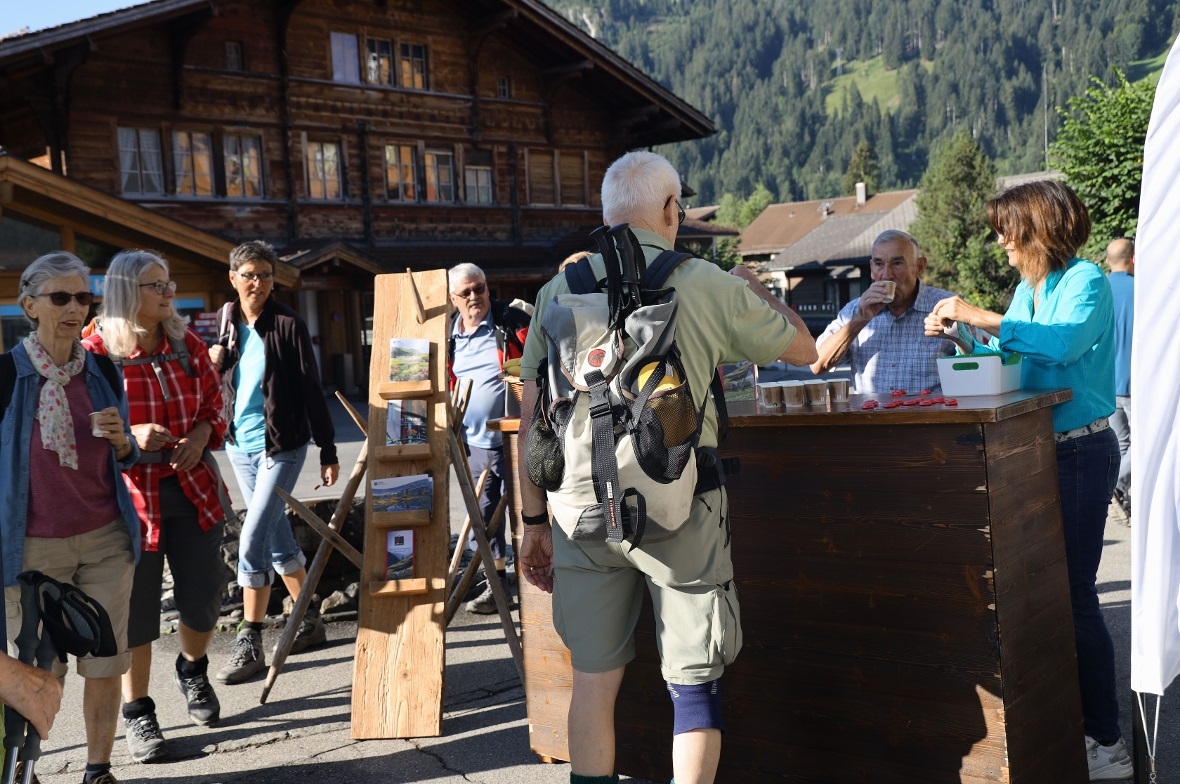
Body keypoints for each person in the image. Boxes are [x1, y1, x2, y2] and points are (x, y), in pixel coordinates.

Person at [515, 151, 817, 784]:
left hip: (579, 508)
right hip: (679, 506)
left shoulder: (556, 292)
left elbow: (532, 413)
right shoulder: (706, 281)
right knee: (692, 684)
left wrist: (532, 520)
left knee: (593, 682)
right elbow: (806, 349)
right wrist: (761, 291)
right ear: (671, 210)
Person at [923, 180, 1129, 781]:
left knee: (1074, 599)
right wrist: (963, 336)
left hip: (1082, 453)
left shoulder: (1086, 280)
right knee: (1042, 598)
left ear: (1034, 229)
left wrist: (976, 315)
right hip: (1036, 450)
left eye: (1006, 230)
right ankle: (1072, 725)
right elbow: (1010, 355)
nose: (1000, 242)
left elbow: (1060, 347)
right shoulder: (1029, 288)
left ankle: (1107, 740)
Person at [81, 250, 229, 763]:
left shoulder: (186, 343)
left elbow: (215, 403)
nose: (169, 294)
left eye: (168, 284)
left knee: (205, 597)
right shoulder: (95, 353)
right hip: (126, 500)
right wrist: (130, 433)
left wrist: (201, 433)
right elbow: (77, 431)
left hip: (194, 489)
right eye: (156, 286)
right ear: (127, 292)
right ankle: (138, 711)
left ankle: (192, 668)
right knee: (136, 613)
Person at [1, 252, 140, 784]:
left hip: (106, 538)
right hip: (32, 548)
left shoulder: (102, 369)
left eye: (84, 298)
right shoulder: (4, 376)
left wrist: (123, 440)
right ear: (30, 304)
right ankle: (23, 771)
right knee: (37, 671)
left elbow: (125, 454)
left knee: (106, 662)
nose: (74, 308)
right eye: (61, 297)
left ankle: (98, 769)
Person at [207, 241, 339, 685]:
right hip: (240, 446)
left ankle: (251, 638)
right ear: (233, 277)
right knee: (278, 540)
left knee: (252, 536)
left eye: (265, 274)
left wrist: (328, 448)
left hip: (282, 446)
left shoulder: (288, 323)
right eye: (249, 274)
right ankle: (310, 620)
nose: (258, 283)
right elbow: (221, 378)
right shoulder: (227, 319)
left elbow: (310, 387)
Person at [446, 263, 530, 614]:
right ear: (453, 298)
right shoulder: (449, 336)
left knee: (528, 510)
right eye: (465, 292)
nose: (474, 297)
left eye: (478, 288)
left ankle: (536, 585)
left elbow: (537, 364)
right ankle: (498, 586)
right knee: (484, 513)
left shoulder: (510, 322)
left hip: (516, 436)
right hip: (473, 441)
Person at [810, 230, 961, 393]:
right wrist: (859, 320)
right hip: (871, 417)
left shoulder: (946, 308)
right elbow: (817, 365)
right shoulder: (855, 310)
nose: (886, 274)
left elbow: (977, 369)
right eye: (879, 264)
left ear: (920, 267)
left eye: (897, 263)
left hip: (930, 417)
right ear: (871, 268)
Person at [1105, 238, 1134, 523]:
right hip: (1136, 383)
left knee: (1124, 445)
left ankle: (1128, 502)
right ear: (1133, 259)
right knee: (1141, 445)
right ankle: (1114, 483)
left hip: (1106, 383)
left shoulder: (1097, 290)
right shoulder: (1143, 290)